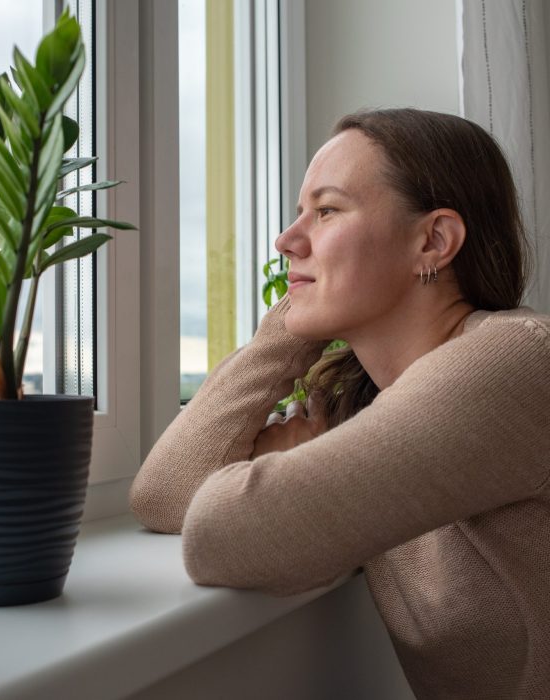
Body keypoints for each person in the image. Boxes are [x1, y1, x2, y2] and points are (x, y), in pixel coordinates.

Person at [129, 108, 550, 699]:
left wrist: (290, 469)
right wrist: (292, 326)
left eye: (326, 211)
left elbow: (222, 532)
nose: (286, 240)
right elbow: (165, 492)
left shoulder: (519, 363)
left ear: (433, 241)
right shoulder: (368, 405)